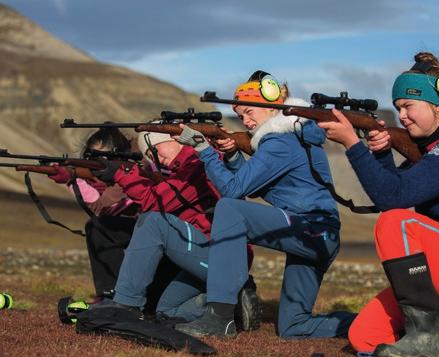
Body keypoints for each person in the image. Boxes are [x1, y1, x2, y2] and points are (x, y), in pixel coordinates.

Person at [317, 52, 439, 357]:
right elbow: (392, 190)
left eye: (408, 106)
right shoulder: (436, 152)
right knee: (364, 336)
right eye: (397, 108)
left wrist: (353, 144)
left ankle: (425, 338)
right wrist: (381, 153)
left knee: (397, 223)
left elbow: (392, 201)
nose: (402, 116)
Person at [173, 70, 356, 338]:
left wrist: (204, 150)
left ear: (271, 106)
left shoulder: (280, 142)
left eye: (249, 112)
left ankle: (220, 316)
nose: (245, 121)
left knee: (229, 209)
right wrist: (233, 155)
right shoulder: (293, 134)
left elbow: (233, 192)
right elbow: (254, 183)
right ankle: (376, 323)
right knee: (294, 328)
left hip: (312, 230)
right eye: (241, 115)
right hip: (316, 234)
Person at [91, 130, 262, 329]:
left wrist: (121, 174)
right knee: (167, 310)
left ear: (174, 139)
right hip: (211, 254)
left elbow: (155, 201)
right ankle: (234, 305)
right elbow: (162, 195)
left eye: (155, 148)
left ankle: (125, 304)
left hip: (222, 257)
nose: (155, 156)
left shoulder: (198, 166)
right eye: (148, 153)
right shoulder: (187, 169)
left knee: (153, 221)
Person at [49, 127, 179, 305]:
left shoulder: (138, 169)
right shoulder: (114, 176)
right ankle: (110, 294)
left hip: (165, 236)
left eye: (103, 157)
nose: (97, 162)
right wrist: (74, 177)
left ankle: (119, 296)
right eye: (92, 157)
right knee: (97, 227)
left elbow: (101, 207)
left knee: (98, 226)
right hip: (147, 231)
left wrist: (73, 179)